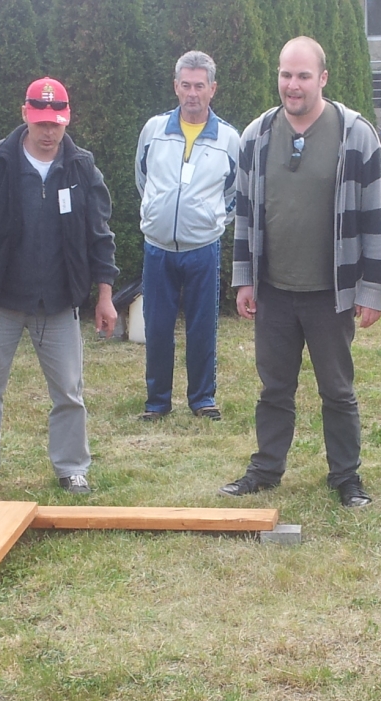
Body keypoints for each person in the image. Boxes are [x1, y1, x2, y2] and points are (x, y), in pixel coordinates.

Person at [220, 36, 381, 508]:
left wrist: (371, 290)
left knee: (337, 390)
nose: (292, 85)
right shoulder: (256, 135)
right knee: (274, 388)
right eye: (285, 75)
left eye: (303, 76)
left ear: (323, 78)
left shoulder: (355, 135)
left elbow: (376, 217)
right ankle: (265, 470)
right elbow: (245, 212)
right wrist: (244, 278)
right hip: (274, 290)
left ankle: (346, 477)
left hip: (331, 292)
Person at [0, 77, 119, 500]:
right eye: (40, 122)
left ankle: (72, 468)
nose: (47, 132)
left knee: (69, 393)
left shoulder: (82, 168)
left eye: (55, 123)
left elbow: (100, 237)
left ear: (67, 119)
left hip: (57, 304)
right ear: (25, 115)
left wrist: (105, 295)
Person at [135, 50, 241, 422]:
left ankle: (202, 399)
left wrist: (212, 220)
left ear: (213, 89)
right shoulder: (153, 130)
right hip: (158, 247)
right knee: (157, 326)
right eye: (186, 85)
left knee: (202, 326)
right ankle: (157, 402)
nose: (192, 93)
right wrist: (157, 212)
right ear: (175, 87)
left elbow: (235, 192)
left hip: (203, 248)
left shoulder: (229, 138)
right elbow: (142, 178)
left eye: (199, 86)